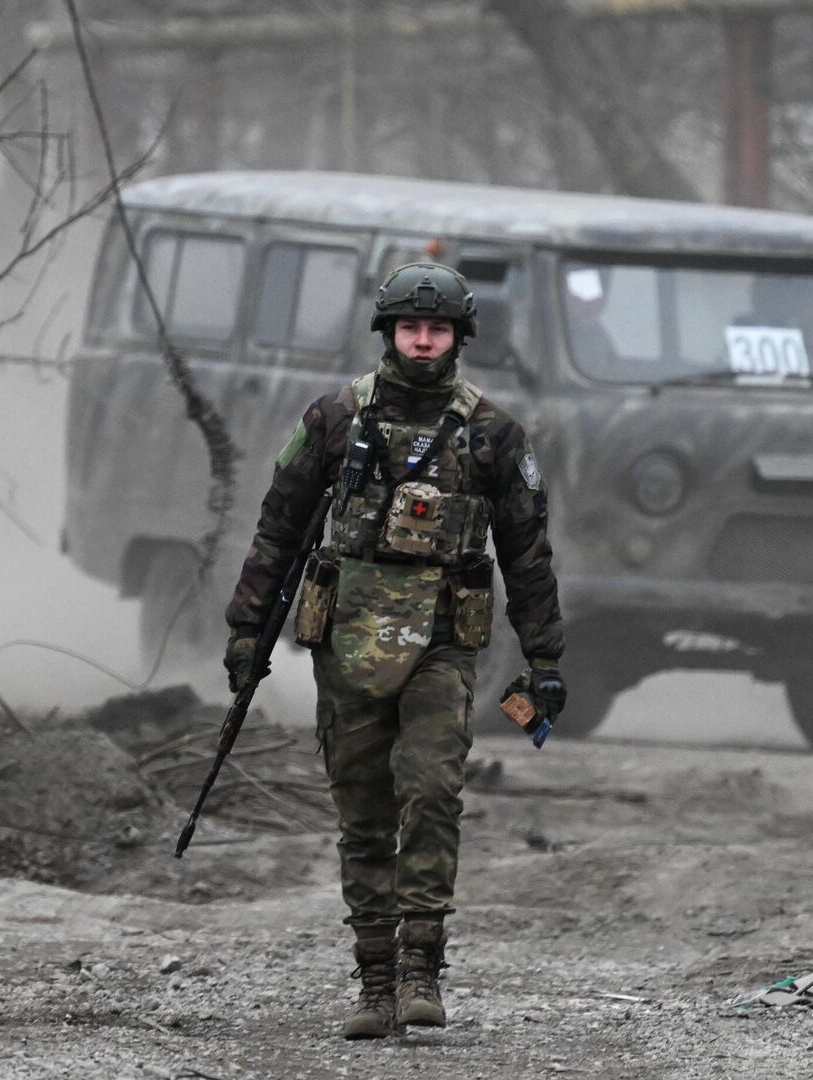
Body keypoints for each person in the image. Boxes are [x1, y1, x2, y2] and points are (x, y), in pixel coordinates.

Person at [223, 262, 567, 1039]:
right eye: (410, 327)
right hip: (347, 634)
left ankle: (422, 968)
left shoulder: (494, 435)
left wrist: (543, 659)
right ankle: (375, 979)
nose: (421, 340)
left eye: (436, 328)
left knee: (432, 789)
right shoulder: (334, 418)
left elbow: (527, 555)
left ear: (458, 337)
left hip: (443, 640)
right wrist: (247, 631)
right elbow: (278, 526)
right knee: (363, 808)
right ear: (388, 331)